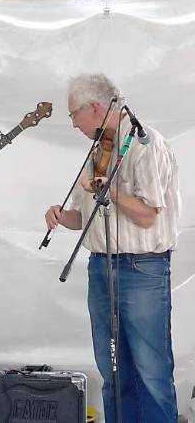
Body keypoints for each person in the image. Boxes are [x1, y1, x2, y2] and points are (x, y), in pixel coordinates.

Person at [45, 73, 180, 423]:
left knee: (151, 372)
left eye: (74, 113)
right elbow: (84, 217)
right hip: (100, 265)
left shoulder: (146, 144)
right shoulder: (97, 149)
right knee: (113, 369)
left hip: (142, 268)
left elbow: (148, 215)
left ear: (95, 108)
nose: (73, 123)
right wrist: (62, 216)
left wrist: (112, 191)